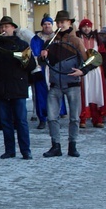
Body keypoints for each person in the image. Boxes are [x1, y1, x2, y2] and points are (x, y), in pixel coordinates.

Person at [40, 10, 98, 158]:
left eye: (62, 22)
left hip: (73, 84)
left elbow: (88, 61)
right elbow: (43, 63)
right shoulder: (50, 41)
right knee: (52, 117)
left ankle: (72, 146)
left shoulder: (76, 41)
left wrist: (82, 71)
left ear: (69, 23)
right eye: (58, 22)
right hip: (55, 84)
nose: (60, 25)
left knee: (74, 118)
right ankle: (56, 146)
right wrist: (43, 56)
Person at [0, 16, 37, 160]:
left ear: (13, 28)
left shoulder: (21, 44)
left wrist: (24, 60)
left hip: (18, 87)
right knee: (5, 121)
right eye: (1, 27)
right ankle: (10, 150)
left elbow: (31, 65)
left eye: (6, 26)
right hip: (1, 86)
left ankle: (26, 150)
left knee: (21, 121)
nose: (3, 29)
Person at [29, 15, 67, 130]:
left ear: (52, 25)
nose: (47, 26)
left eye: (49, 24)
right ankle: (42, 119)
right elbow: (34, 52)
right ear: (42, 26)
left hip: (54, 69)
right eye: (45, 24)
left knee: (56, 94)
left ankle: (55, 117)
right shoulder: (36, 39)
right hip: (41, 68)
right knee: (41, 95)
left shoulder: (57, 37)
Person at [77, 18, 106, 128]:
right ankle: (83, 118)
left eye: (88, 26)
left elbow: (103, 53)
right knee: (85, 93)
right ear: (81, 27)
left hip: (96, 70)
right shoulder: (78, 38)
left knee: (96, 92)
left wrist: (98, 61)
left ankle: (97, 118)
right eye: (84, 26)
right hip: (83, 69)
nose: (86, 28)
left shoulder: (97, 39)